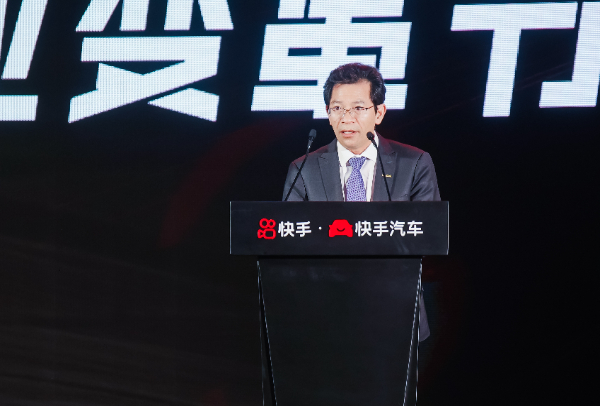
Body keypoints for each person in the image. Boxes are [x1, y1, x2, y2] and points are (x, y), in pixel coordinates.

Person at [282, 63, 441, 341]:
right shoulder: (303, 169)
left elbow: (429, 235)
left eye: (358, 108)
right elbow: (287, 240)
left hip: (396, 312)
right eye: (337, 108)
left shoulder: (414, 163)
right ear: (328, 113)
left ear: (379, 112)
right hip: (324, 314)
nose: (347, 118)